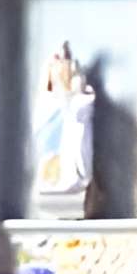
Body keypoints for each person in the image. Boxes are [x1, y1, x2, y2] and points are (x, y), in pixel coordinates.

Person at [32, 43, 95, 214]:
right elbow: (41, 126)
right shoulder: (46, 102)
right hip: (52, 156)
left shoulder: (79, 99)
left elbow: (80, 112)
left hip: (71, 149)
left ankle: (71, 181)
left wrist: (74, 95)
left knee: (74, 152)